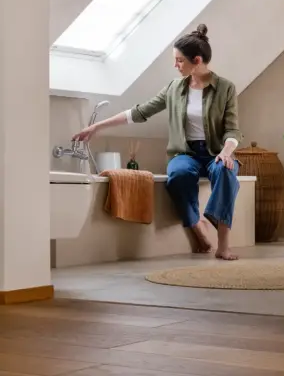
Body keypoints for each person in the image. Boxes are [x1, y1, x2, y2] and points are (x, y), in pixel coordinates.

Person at [73, 24, 243, 261]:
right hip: (185, 153)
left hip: (218, 151)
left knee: (226, 173)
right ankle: (196, 224)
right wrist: (96, 127)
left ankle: (223, 245)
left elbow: (233, 129)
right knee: (178, 176)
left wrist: (226, 152)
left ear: (197, 60)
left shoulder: (225, 88)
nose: (175, 66)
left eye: (179, 61)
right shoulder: (175, 88)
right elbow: (140, 112)